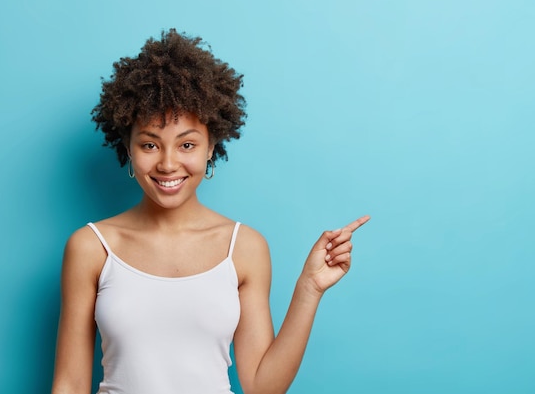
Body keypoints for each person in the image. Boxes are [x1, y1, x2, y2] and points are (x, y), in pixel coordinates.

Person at [51, 29, 370, 394]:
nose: (168, 164)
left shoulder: (244, 247)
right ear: (128, 147)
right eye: (150, 144)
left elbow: (262, 386)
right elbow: (70, 383)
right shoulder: (91, 247)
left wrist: (309, 289)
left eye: (187, 144)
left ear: (210, 147)